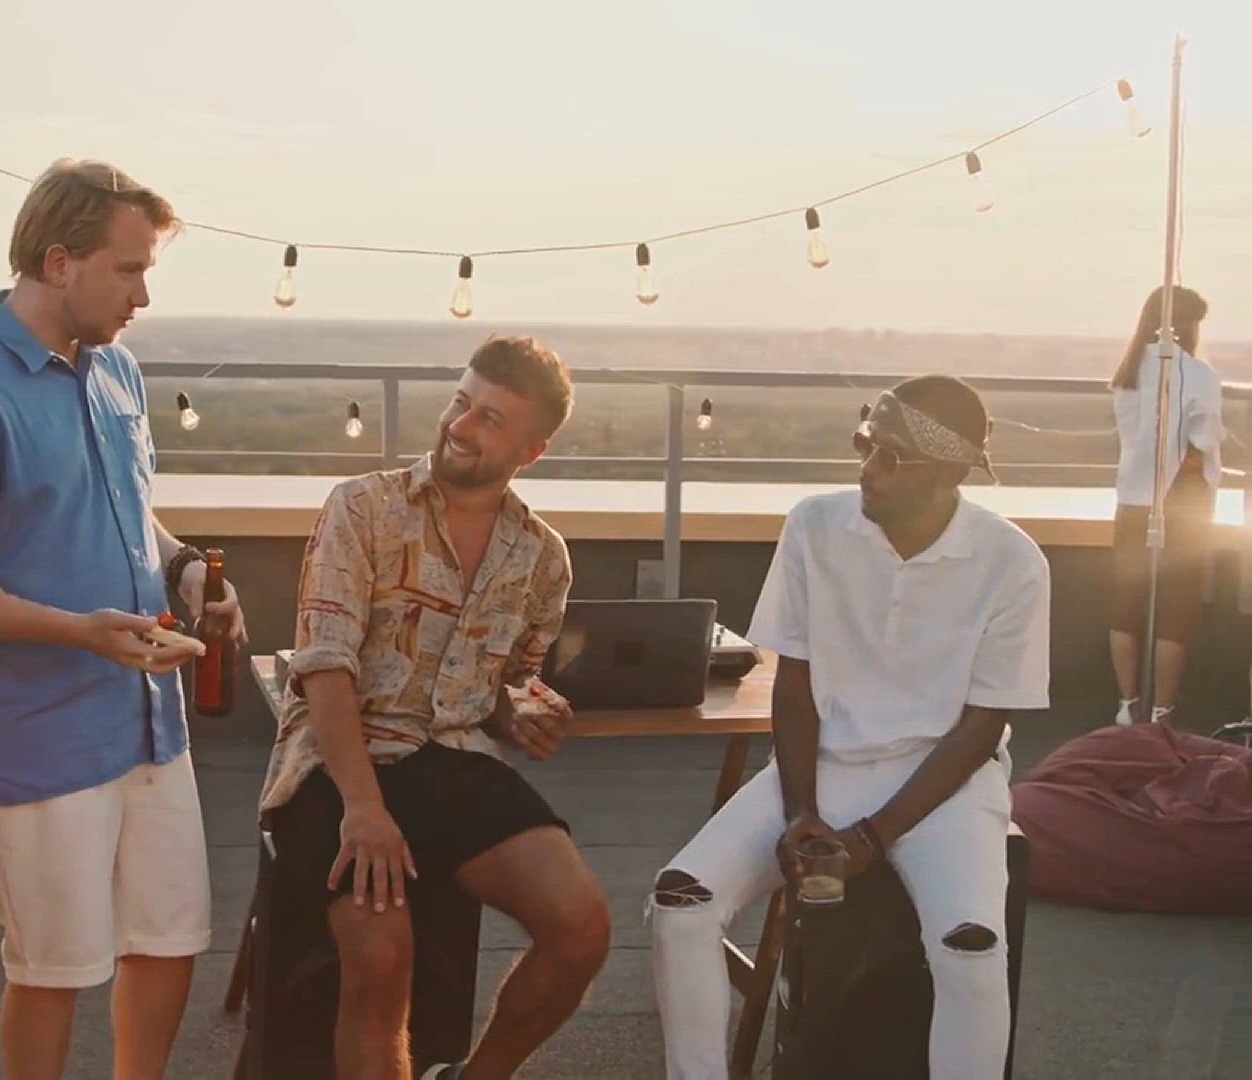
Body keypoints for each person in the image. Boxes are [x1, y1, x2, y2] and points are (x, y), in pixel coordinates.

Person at [0, 158, 245, 1080]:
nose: (143, 296)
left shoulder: (117, 369)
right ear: (58, 262)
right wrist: (80, 632)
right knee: (54, 970)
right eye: (129, 270)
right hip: (29, 736)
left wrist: (183, 568)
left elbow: (131, 509)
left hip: (145, 721)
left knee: (169, 942)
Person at [649, 375, 1051, 1080]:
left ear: (951, 472)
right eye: (867, 444)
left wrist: (874, 836)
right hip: (823, 766)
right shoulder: (815, 525)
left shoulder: (1012, 561)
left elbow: (984, 724)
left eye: (893, 457)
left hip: (946, 785)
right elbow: (794, 682)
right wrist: (800, 807)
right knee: (679, 904)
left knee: (972, 951)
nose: (869, 469)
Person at [259, 336, 611, 1080]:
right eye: (461, 402)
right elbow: (324, 667)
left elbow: (507, 683)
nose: (460, 425)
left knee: (582, 928)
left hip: (454, 759)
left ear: (532, 450)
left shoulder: (542, 555)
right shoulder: (362, 507)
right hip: (338, 761)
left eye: (490, 418)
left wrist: (520, 714)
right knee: (383, 959)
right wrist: (364, 809)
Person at [1108, 285, 1221, 726]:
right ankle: (1162, 710)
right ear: (1190, 325)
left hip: (1131, 498)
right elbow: (1202, 441)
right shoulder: (1196, 373)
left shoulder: (1128, 372)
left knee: (1125, 603)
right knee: (1177, 607)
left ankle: (1127, 704)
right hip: (1182, 501)